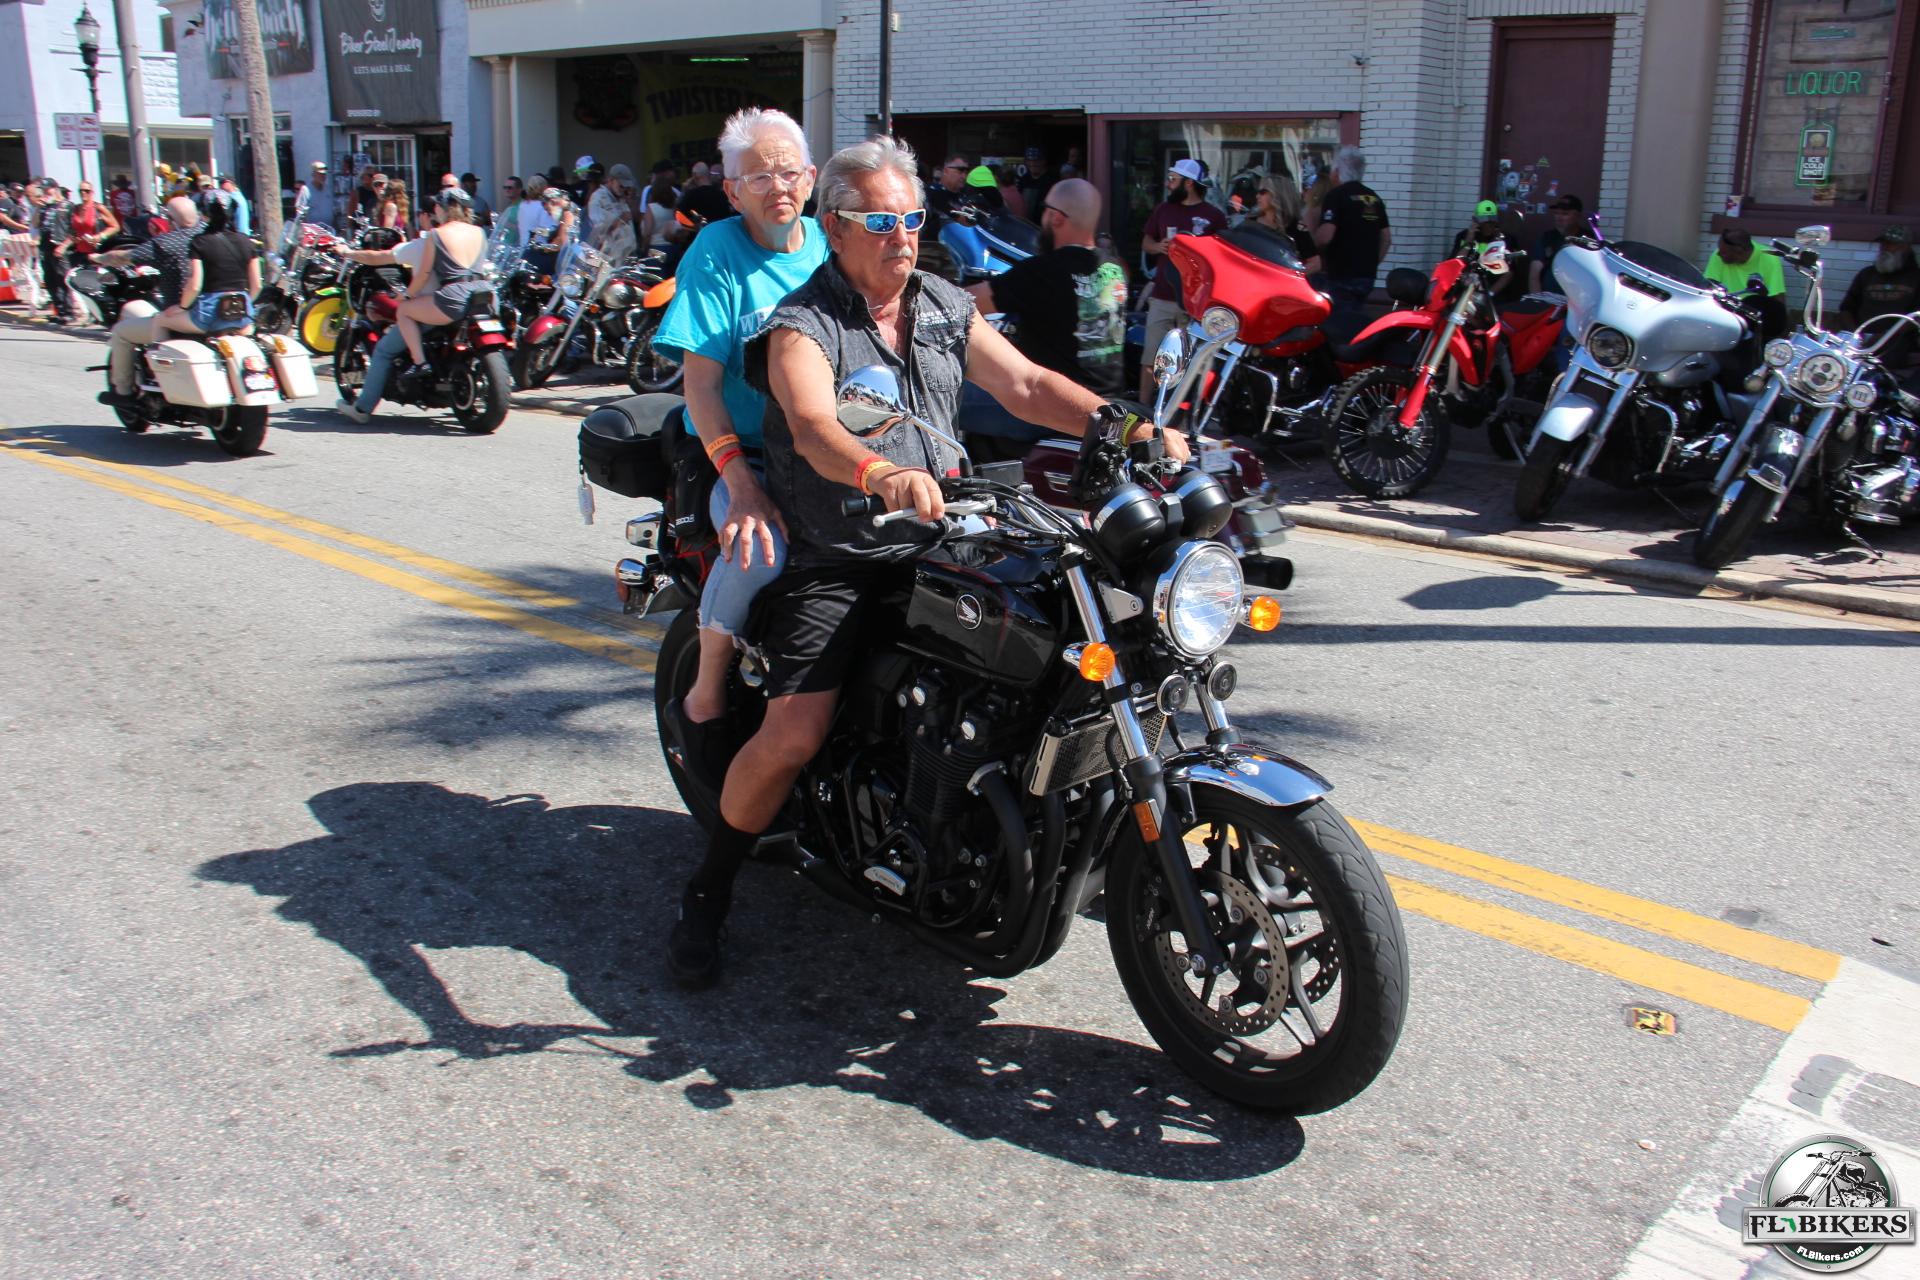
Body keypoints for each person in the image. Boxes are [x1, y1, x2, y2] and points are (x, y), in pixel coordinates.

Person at [662, 135, 1189, 986]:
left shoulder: (941, 303)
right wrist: (880, 472)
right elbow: (813, 427)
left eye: (912, 219)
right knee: (794, 731)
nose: (902, 237)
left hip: (945, 531)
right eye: (880, 222)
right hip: (839, 552)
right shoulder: (802, 326)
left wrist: (1124, 425)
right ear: (836, 227)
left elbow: (1024, 385)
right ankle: (709, 889)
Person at [653, 107, 830, 798]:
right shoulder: (718, 250)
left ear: (810, 179)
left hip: (828, 449)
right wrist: (744, 487)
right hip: (744, 451)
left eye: (788, 172)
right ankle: (704, 690)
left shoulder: (832, 243)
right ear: (732, 192)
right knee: (762, 549)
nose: (776, 186)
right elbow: (699, 385)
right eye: (758, 176)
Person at [961, 177, 1127, 447]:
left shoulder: (1044, 270)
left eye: (1045, 210)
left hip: (1050, 409)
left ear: (1056, 217)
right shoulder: (1114, 269)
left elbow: (960, 302)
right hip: (1105, 404)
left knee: (942, 392)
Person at [337, 189, 488, 423]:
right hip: (482, 293)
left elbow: (421, 272)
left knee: (391, 336)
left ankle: (368, 403)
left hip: (450, 299)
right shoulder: (479, 232)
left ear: (442, 209)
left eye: (436, 207)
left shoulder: (434, 237)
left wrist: (406, 295)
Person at [96, 196, 208, 404]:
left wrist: (98, 258)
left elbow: (126, 257)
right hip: (220, 312)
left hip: (185, 317)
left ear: (171, 219)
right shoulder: (215, 236)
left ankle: (123, 391)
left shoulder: (166, 243)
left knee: (121, 332)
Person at [1137, 157, 1226, 401]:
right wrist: (1159, 247)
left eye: (1173, 179)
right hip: (1162, 295)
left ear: (1188, 183)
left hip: (1195, 303)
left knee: (1190, 362)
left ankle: (1183, 413)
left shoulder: (1214, 216)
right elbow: (1146, 242)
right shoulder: (1163, 210)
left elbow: (1223, 257)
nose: (1168, 183)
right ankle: (1142, 409)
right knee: (1151, 358)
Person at [1314, 144, 1391, 323]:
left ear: (1337, 172)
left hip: (1340, 274)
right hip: (1367, 275)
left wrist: (1308, 249)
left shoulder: (1336, 196)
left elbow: (1326, 236)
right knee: (1355, 318)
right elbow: (1386, 238)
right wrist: (1372, 262)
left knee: (1338, 324)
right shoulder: (1374, 198)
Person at [1840, 226, 1920, 372]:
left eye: (1891, 244)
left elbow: (1916, 317)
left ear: (1905, 247)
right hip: (1860, 337)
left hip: (1896, 340)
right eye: (1882, 244)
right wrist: (1855, 334)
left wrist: (1884, 336)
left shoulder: (1916, 277)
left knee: (1882, 366)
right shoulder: (1866, 275)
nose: (1884, 248)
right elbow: (1846, 308)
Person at [179, 194, 261, 333]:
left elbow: (194, 286)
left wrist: (182, 307)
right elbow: (257, 286)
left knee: (161, 320)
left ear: (205, 215)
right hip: (243, 314)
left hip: (210, 313)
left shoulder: (199, 242)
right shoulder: (247, 242)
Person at [1705, 227, 1786, 337]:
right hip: (1724, 315)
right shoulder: (1718, 255)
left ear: (1739, 251)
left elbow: (1777, 299)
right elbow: (1708, 286)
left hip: (1753, 319)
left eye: (1723, 252)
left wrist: (1779, 334)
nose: (1718, 254)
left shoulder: (1769, 258)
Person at [1252, 172, 1319, 272]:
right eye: (1258, 192)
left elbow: (1315, 263)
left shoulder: (1296, 227)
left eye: (1263, 192)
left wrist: (1291, 274)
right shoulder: (1251, 223)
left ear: (1277, 194)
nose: (1257, 196)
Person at [35, 182, 74, 323]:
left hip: (59, 245)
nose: (45, 193)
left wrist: (64, 245)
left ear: (55, 189)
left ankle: (68, 312)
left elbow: (74, 229)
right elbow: (35, 224)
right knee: (50, 280)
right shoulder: (45, 207)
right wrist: (38, 208)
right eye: (43, 190)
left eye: (48, 189)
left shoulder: (67, 206)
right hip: (45, 247)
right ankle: (59, 311)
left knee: (62, 279)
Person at [1531, 194, 1583, 295]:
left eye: (1565, 214)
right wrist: (1537, 299)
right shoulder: (1546, 238)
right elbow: (1534, 275)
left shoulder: (1587, 239)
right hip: (1549, 298)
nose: (1559, 217)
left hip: (1577, 299)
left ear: (1577, 216)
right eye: (1556, 213)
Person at [589, 163, 638, 261]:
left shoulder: (622, 199)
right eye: (621, 185)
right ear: (611, 180)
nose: (624, 188)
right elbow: (597, 228)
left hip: (627, 256)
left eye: (626, 186)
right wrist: (621, 220)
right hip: (607, 258)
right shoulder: (598, 198)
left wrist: (631, 201)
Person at [66, 179, 120, 268]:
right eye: (81, 191)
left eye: (86, 191)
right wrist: (73, 237)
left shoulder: (98, 208)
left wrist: (100, 236)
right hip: (78, 253)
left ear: (92, 193)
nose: (83, 193)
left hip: (96, 253)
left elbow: (115, 227)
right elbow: (72, 229)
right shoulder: (75, 209)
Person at [643, 169, 680, 254]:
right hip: (673, 247)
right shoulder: (673, 207)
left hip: (656, 248)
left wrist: (644, 249)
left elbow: (647, 233)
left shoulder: (651, 208)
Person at [1016, 145, 1054, 214]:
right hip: (1025, 219)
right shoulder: (1023, 180)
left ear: (1043, 161)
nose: (1032, 163)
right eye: (1029, 160)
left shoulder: (1051, 181)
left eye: (1036, 160)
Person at [302, 161, 335, 228]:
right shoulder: (306, 190)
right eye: (320, 174)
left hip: (328, 229)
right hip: (313, 231)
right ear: (313, 175)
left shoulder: (328, 189)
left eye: (324, 174)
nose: (323, 176)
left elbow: (332, 210)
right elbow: (301, 214)